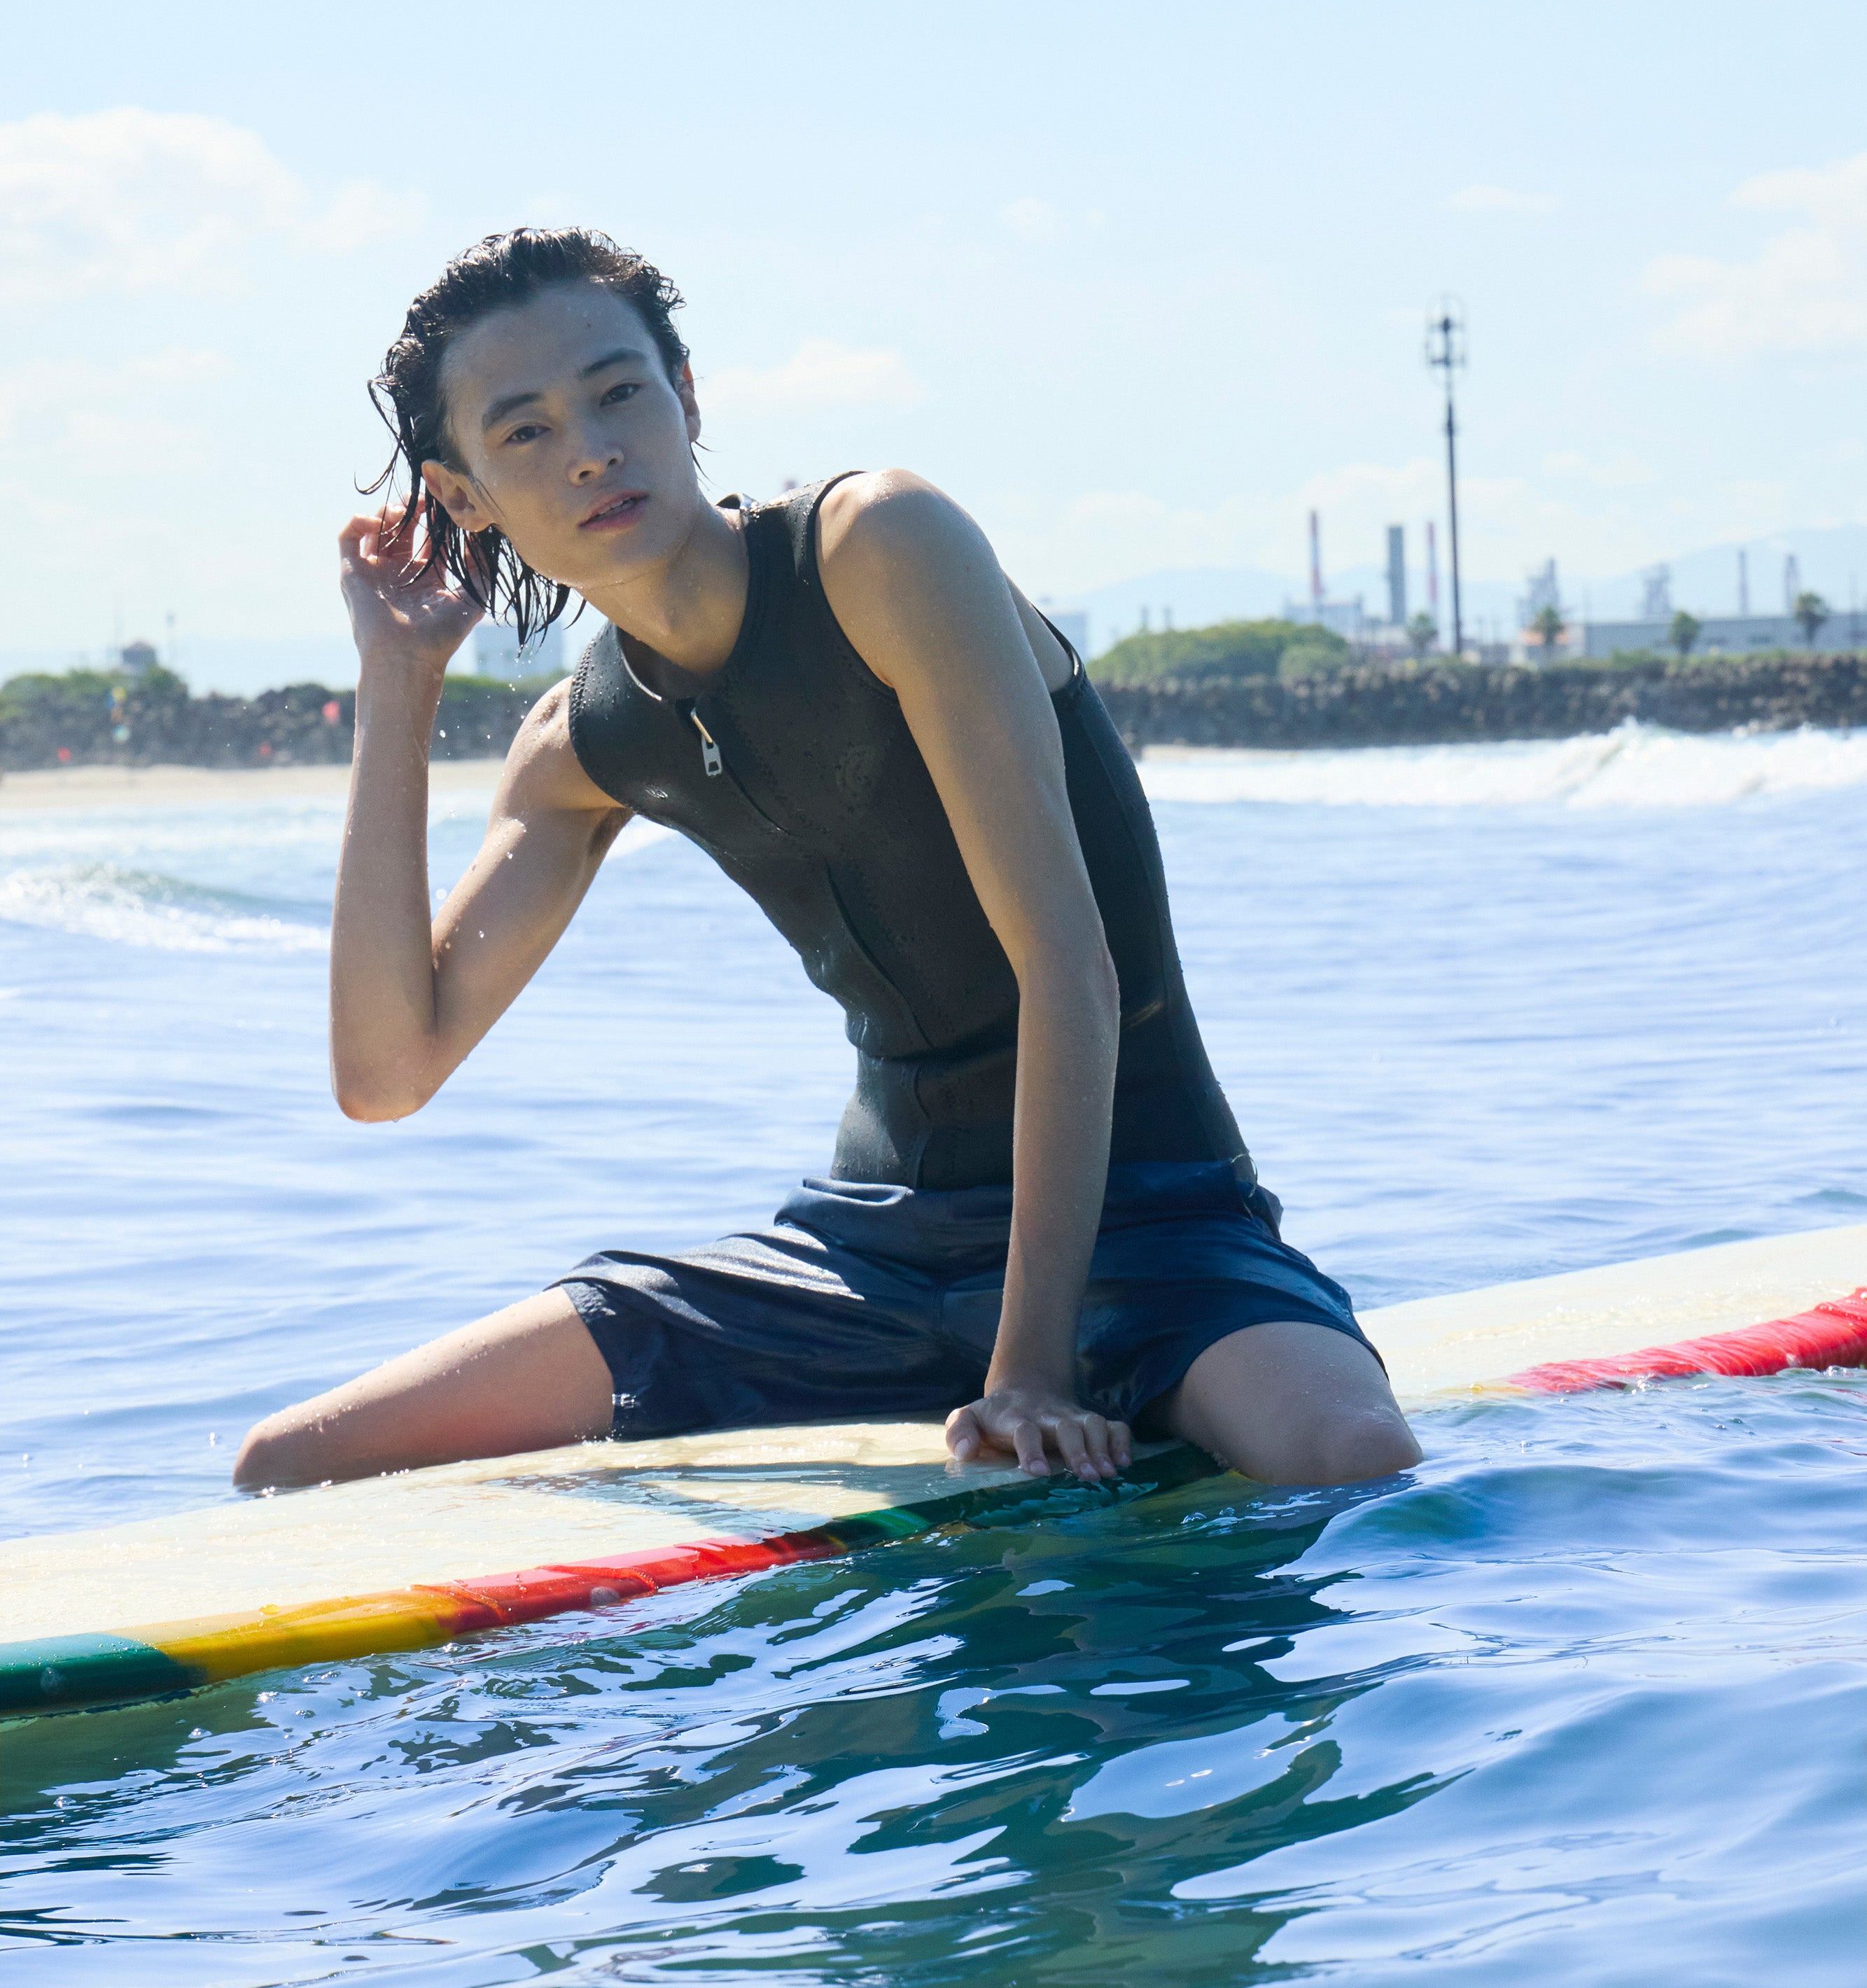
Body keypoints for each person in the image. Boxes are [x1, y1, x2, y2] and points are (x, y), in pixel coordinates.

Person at [235, 230, 1419, 1496]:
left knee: (1350, 1452)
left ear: (686, 397)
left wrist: (1026, 1370)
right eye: (523, 431)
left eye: (620, 391)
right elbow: (386, 1071)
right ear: (462, 492)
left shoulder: (877, 549)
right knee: (294, 1460)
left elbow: (1066, 968)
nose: (589, 447)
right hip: (862, 1260)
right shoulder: (582, 743)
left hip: (1154, 1218)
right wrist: (399, 679)